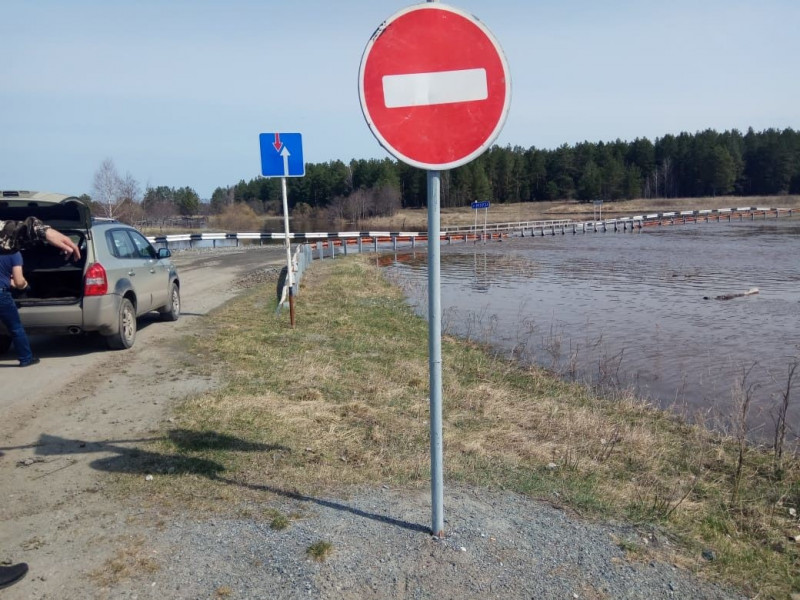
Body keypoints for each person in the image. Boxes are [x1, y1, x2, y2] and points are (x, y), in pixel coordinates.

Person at [0, 250, 38, 365]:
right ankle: (26, 359)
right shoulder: (13, 253)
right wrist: (25, 285)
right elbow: (19, 281)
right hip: (1, 295)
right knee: (15, 328)